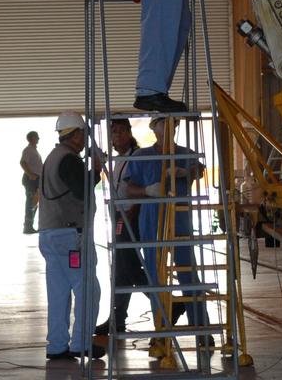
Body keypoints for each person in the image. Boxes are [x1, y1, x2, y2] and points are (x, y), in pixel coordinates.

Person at [123, 116, 210, 346]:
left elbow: (199, 169)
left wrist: (186, 171)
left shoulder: (185, 152)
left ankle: (202, 329)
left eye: (173, 123)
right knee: (156, 278)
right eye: (163, 122)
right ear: (153, 127)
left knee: (188, 275)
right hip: (152, 223)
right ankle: (161, 331)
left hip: (180, 221)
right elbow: (129, 188)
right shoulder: (142, 156)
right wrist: (147, 191)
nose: (168, 126)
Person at [38, 112, 106, 362]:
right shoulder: (69, 160)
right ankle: (81, 343)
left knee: (59, 292)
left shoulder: (53, 158)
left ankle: (56, 345)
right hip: (70, 237)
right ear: (77, 134)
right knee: (88, 288)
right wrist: (96, 169)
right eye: (84, 134)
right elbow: (83, 191)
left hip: (50, 234)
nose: (86, 139)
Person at [94, 119, 150, 339]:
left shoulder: (137, 156)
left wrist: (132, 212)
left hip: (131, 218)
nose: (115, 137)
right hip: (119, 216)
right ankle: (117, 319)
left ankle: (166, 304)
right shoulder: (118, 159)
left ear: (128, 132)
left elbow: (139, 189)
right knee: (120, 271)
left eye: (119, 132)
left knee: (130, 267)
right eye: (112, 133)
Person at [20, 130, 43, 235]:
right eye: (36, 137)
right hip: (31, 180)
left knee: (34, 202)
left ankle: (29, 225)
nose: (38, 138)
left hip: (35, 179)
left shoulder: (33, 150)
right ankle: (27, 226)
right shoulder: (28, 150)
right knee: (31, 202)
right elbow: (22, 162)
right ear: (32, 138)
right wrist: (30, 174)